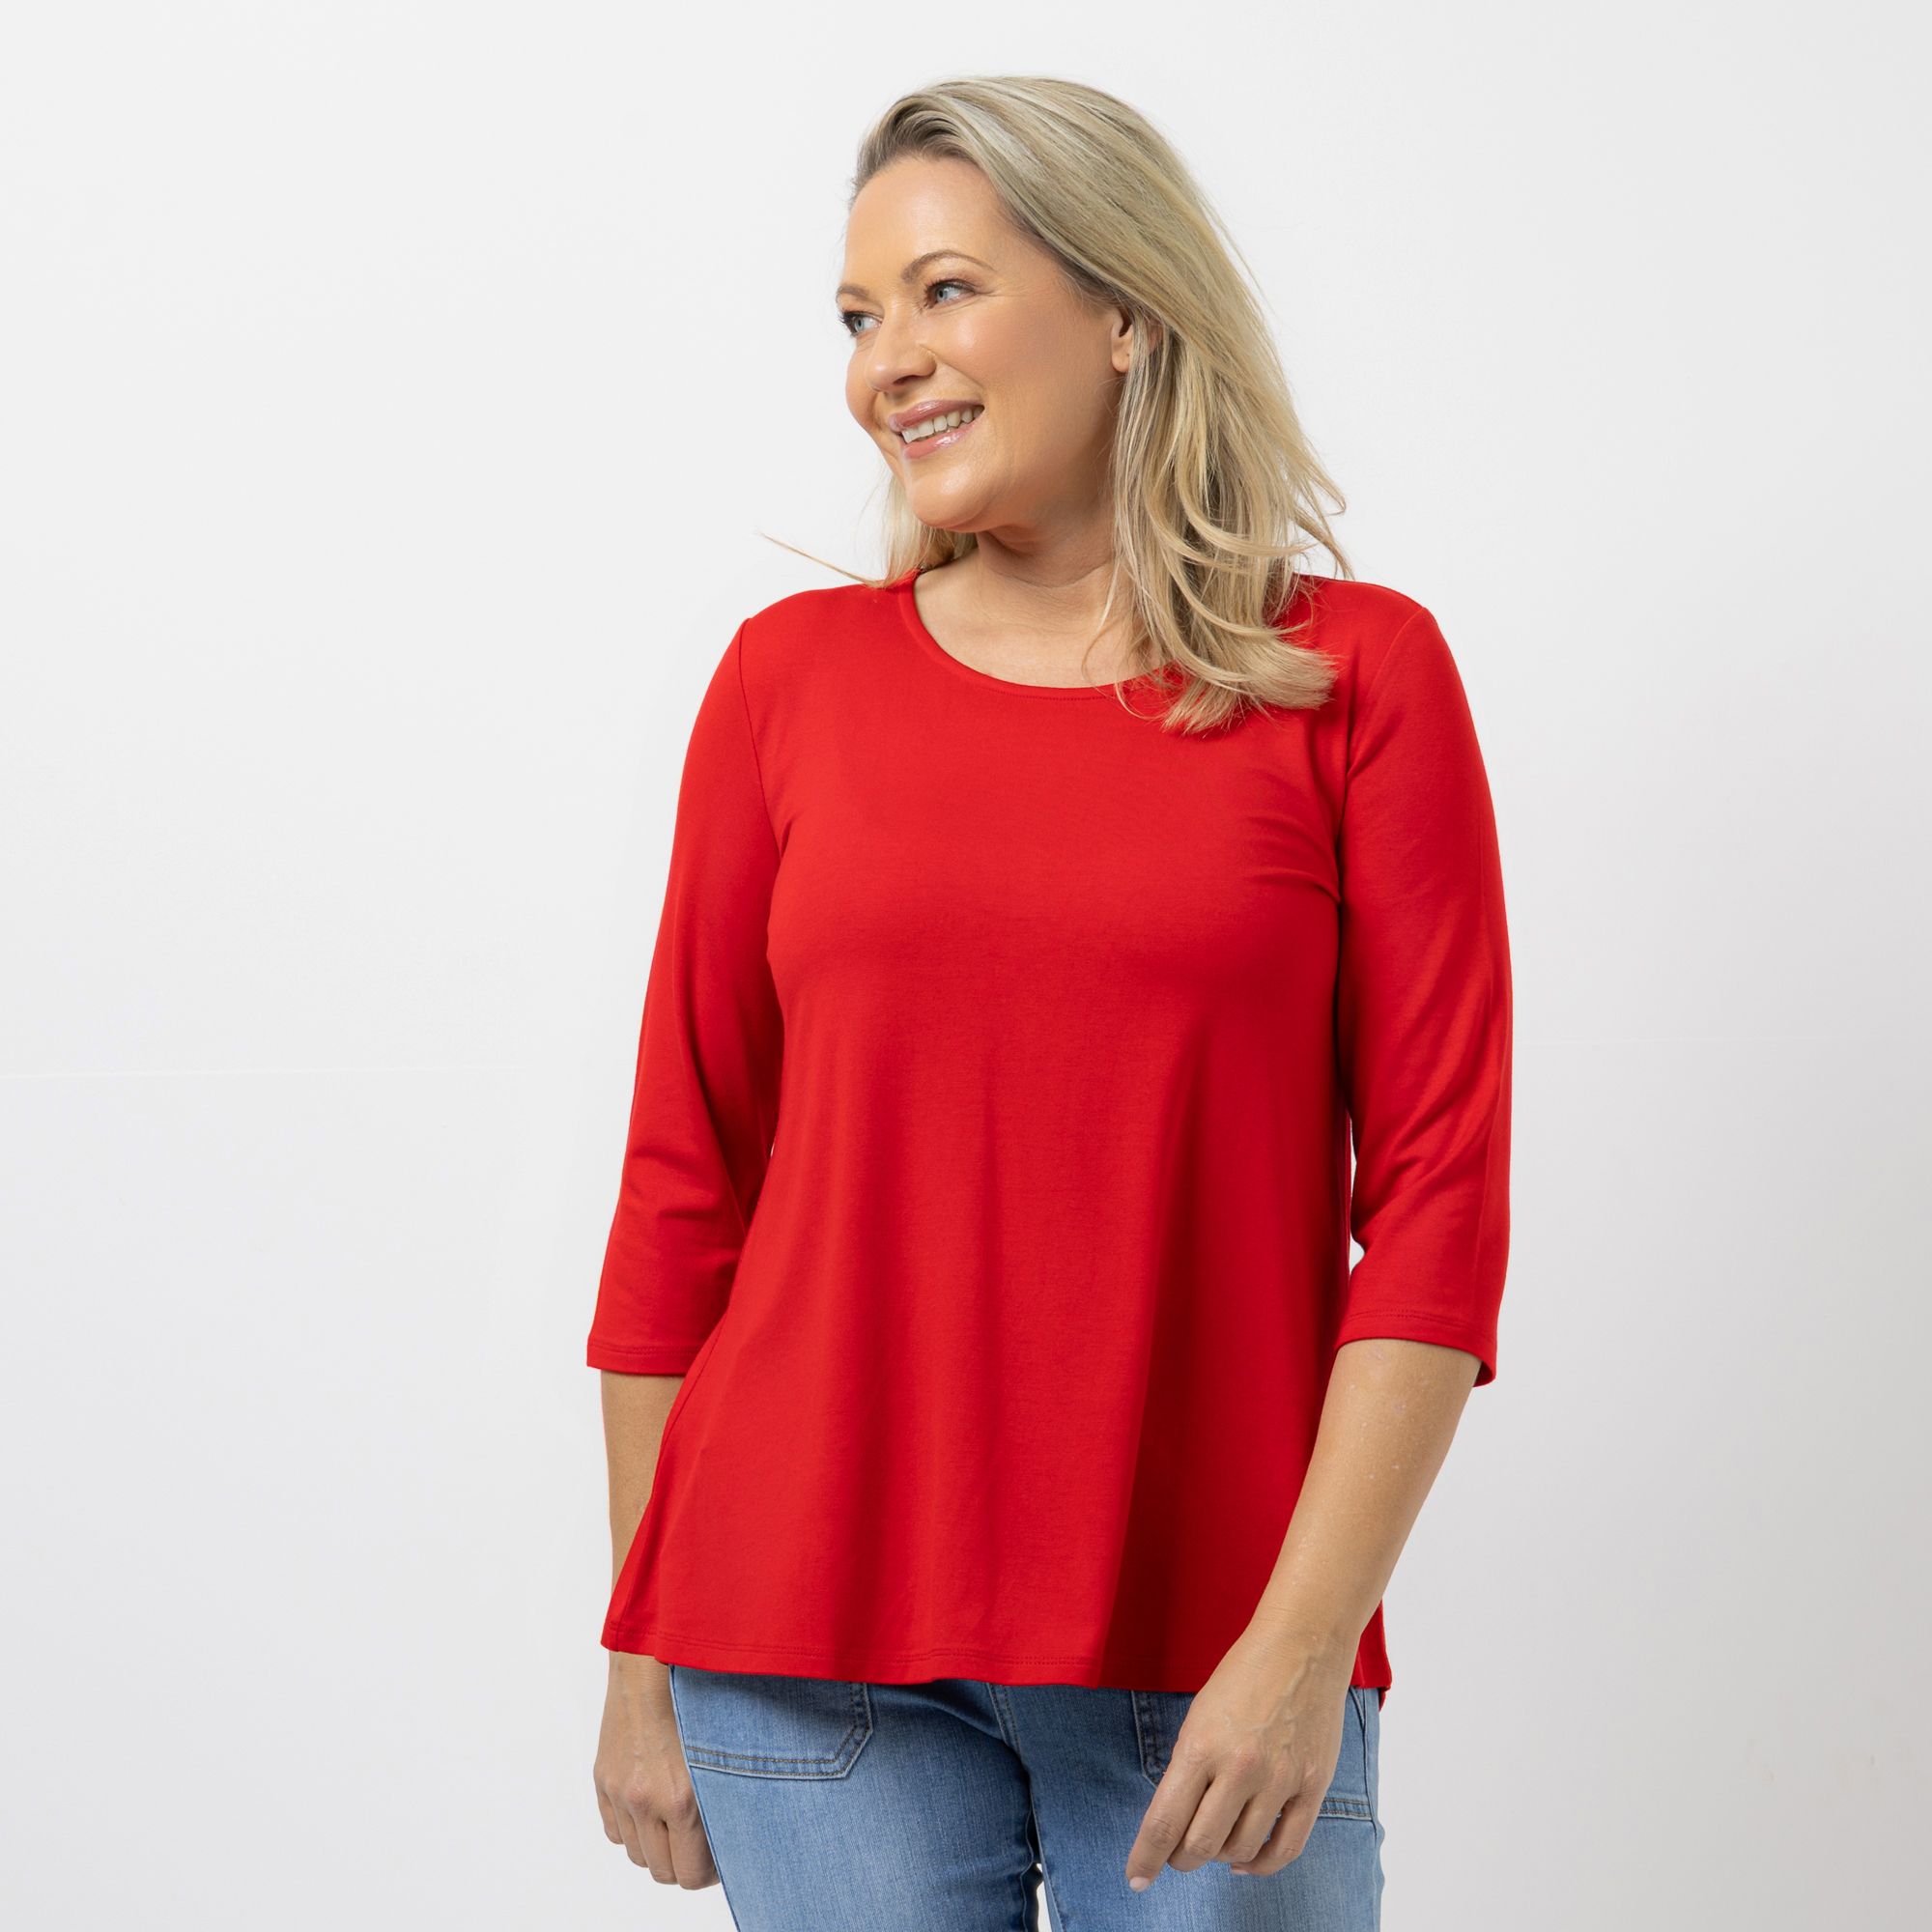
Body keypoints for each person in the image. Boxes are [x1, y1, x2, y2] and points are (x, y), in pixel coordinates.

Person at [589, 74, 1513, 1930]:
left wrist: (1307, 1641)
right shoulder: (785, 684)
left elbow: (1436, 1211)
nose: (888, 363)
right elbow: (687, 1184)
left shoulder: (1355, 678)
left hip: (1218, 1648)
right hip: (797, 1645)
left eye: (944, 291)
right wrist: (639, 1650)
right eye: (860, 317)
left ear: (1125, 311)